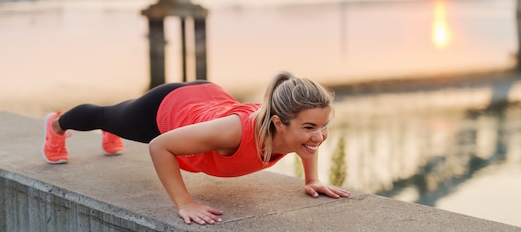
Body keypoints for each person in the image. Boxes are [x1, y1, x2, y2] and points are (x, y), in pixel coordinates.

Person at [42, 71, 350, 225]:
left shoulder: (294, 130)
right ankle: (56, 125)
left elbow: (307, 145)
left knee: (115, 122)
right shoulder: (234, 133)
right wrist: (184, 203)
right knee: (105, 115)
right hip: (168, 107)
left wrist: (312, 179)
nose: (319, 137)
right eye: (310, 128)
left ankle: (113, 132)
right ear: (278, 123)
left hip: (208, 101)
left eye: (323, 126)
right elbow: (161, 146)